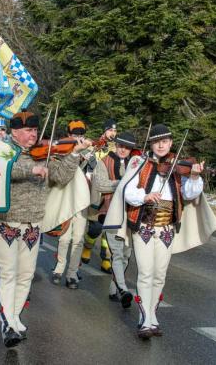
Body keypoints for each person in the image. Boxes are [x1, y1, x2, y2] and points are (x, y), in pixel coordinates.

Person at [0, 111, 90, 347]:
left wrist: (73, 154)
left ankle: (15, 317)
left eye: (35, 130)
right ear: (15, 131)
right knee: (7, 273)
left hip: (33, 223)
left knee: (26, 275)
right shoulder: (1, 149)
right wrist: (32, 170)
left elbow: (61, 177)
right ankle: (7, 323)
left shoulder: (44, 153)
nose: (34, 135)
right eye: (28, 130)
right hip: (7, 221)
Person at [104, 124, 216, 339]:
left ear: (170, 143)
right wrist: (145, 196)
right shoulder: (140, 162)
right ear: (151, 144)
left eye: (165, 142)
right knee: (146, 273)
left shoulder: (177, 166)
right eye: (157, 142)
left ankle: (153, 315)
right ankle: (144, 319)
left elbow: (189, 194)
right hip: (144, 227)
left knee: (159, 276)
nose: (161, 145)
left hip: (167, 228)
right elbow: (127, 191)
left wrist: (194, 177)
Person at [91, 131, 137, 307]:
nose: (123, 150)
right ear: (115, 145)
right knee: (117, 253)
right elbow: (99, 184)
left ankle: (113, 288)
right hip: (110, 213)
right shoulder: (104, 162)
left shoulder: (136, 163)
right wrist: (121, 183)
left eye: (127, 147)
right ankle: (124, 289)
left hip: (130, 213)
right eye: (121, 146)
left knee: (126, 254)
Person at [51, 120, 92, 289]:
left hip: (82, 199)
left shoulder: (90, 150)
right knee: (65, 237)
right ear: (69, 135)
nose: (78, 138)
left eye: (81, 135)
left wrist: (89, 160)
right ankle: (59, 269)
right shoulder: (62, 149)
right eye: (75, 135)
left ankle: (72, 273)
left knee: (78, 239)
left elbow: (92, 173)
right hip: (66, 197)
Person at [80, 118, 118, 272]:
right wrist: (89, 156)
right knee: (96, 227)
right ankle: (87, 247)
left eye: (115, 131)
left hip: (113, 191)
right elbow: (84, 164)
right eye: (110, 130)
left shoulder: (118, 148)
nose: (113, 133)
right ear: (104, 131)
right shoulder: (95, 146)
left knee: (110, 228)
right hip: (97, 190)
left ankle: (106, 258)